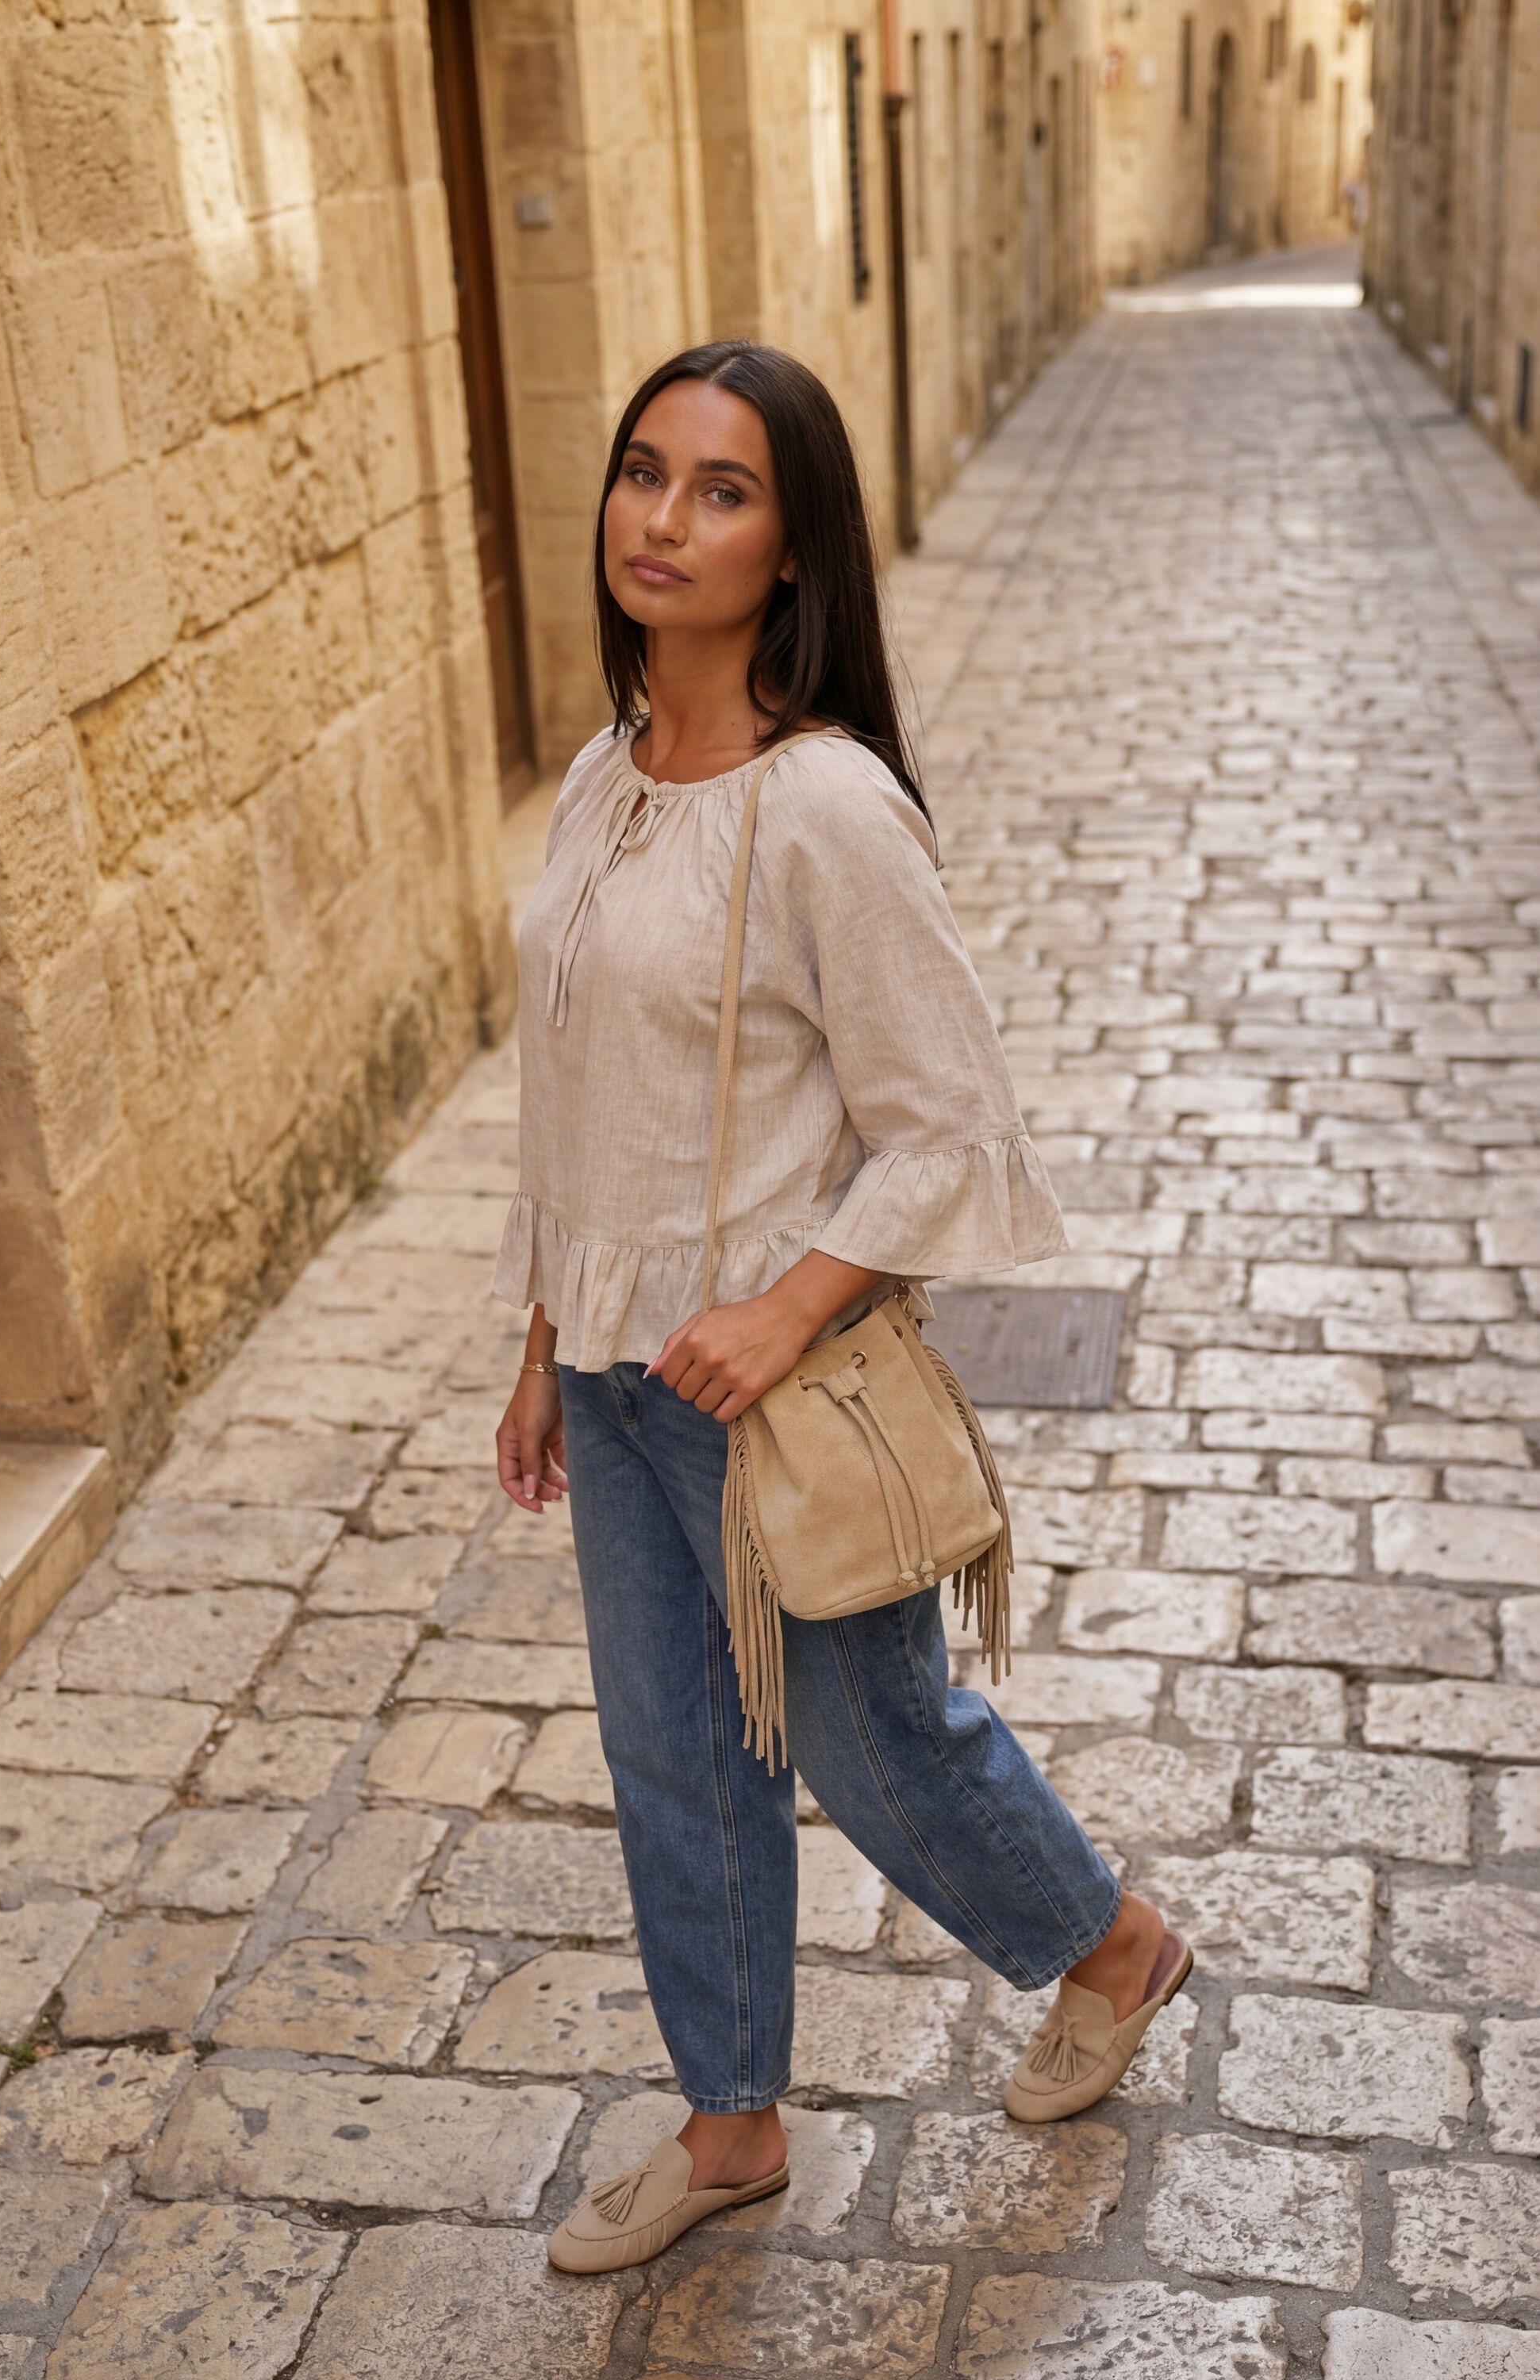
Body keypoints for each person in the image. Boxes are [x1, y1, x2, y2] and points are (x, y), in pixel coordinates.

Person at [493, 341, 1192, 2275]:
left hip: (767, 1394)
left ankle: (1117, 1947)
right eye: (644, 471)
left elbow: (950, 1130)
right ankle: (730, 2127)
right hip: (618, 1377)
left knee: (883, 1754)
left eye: (722, 491)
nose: (663, 518)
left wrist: (781, 1311)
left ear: (791, 550)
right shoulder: (599, 780)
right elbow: (568, 1093)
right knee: (673, 1762)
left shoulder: (825, 808)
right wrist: (544, 1343)